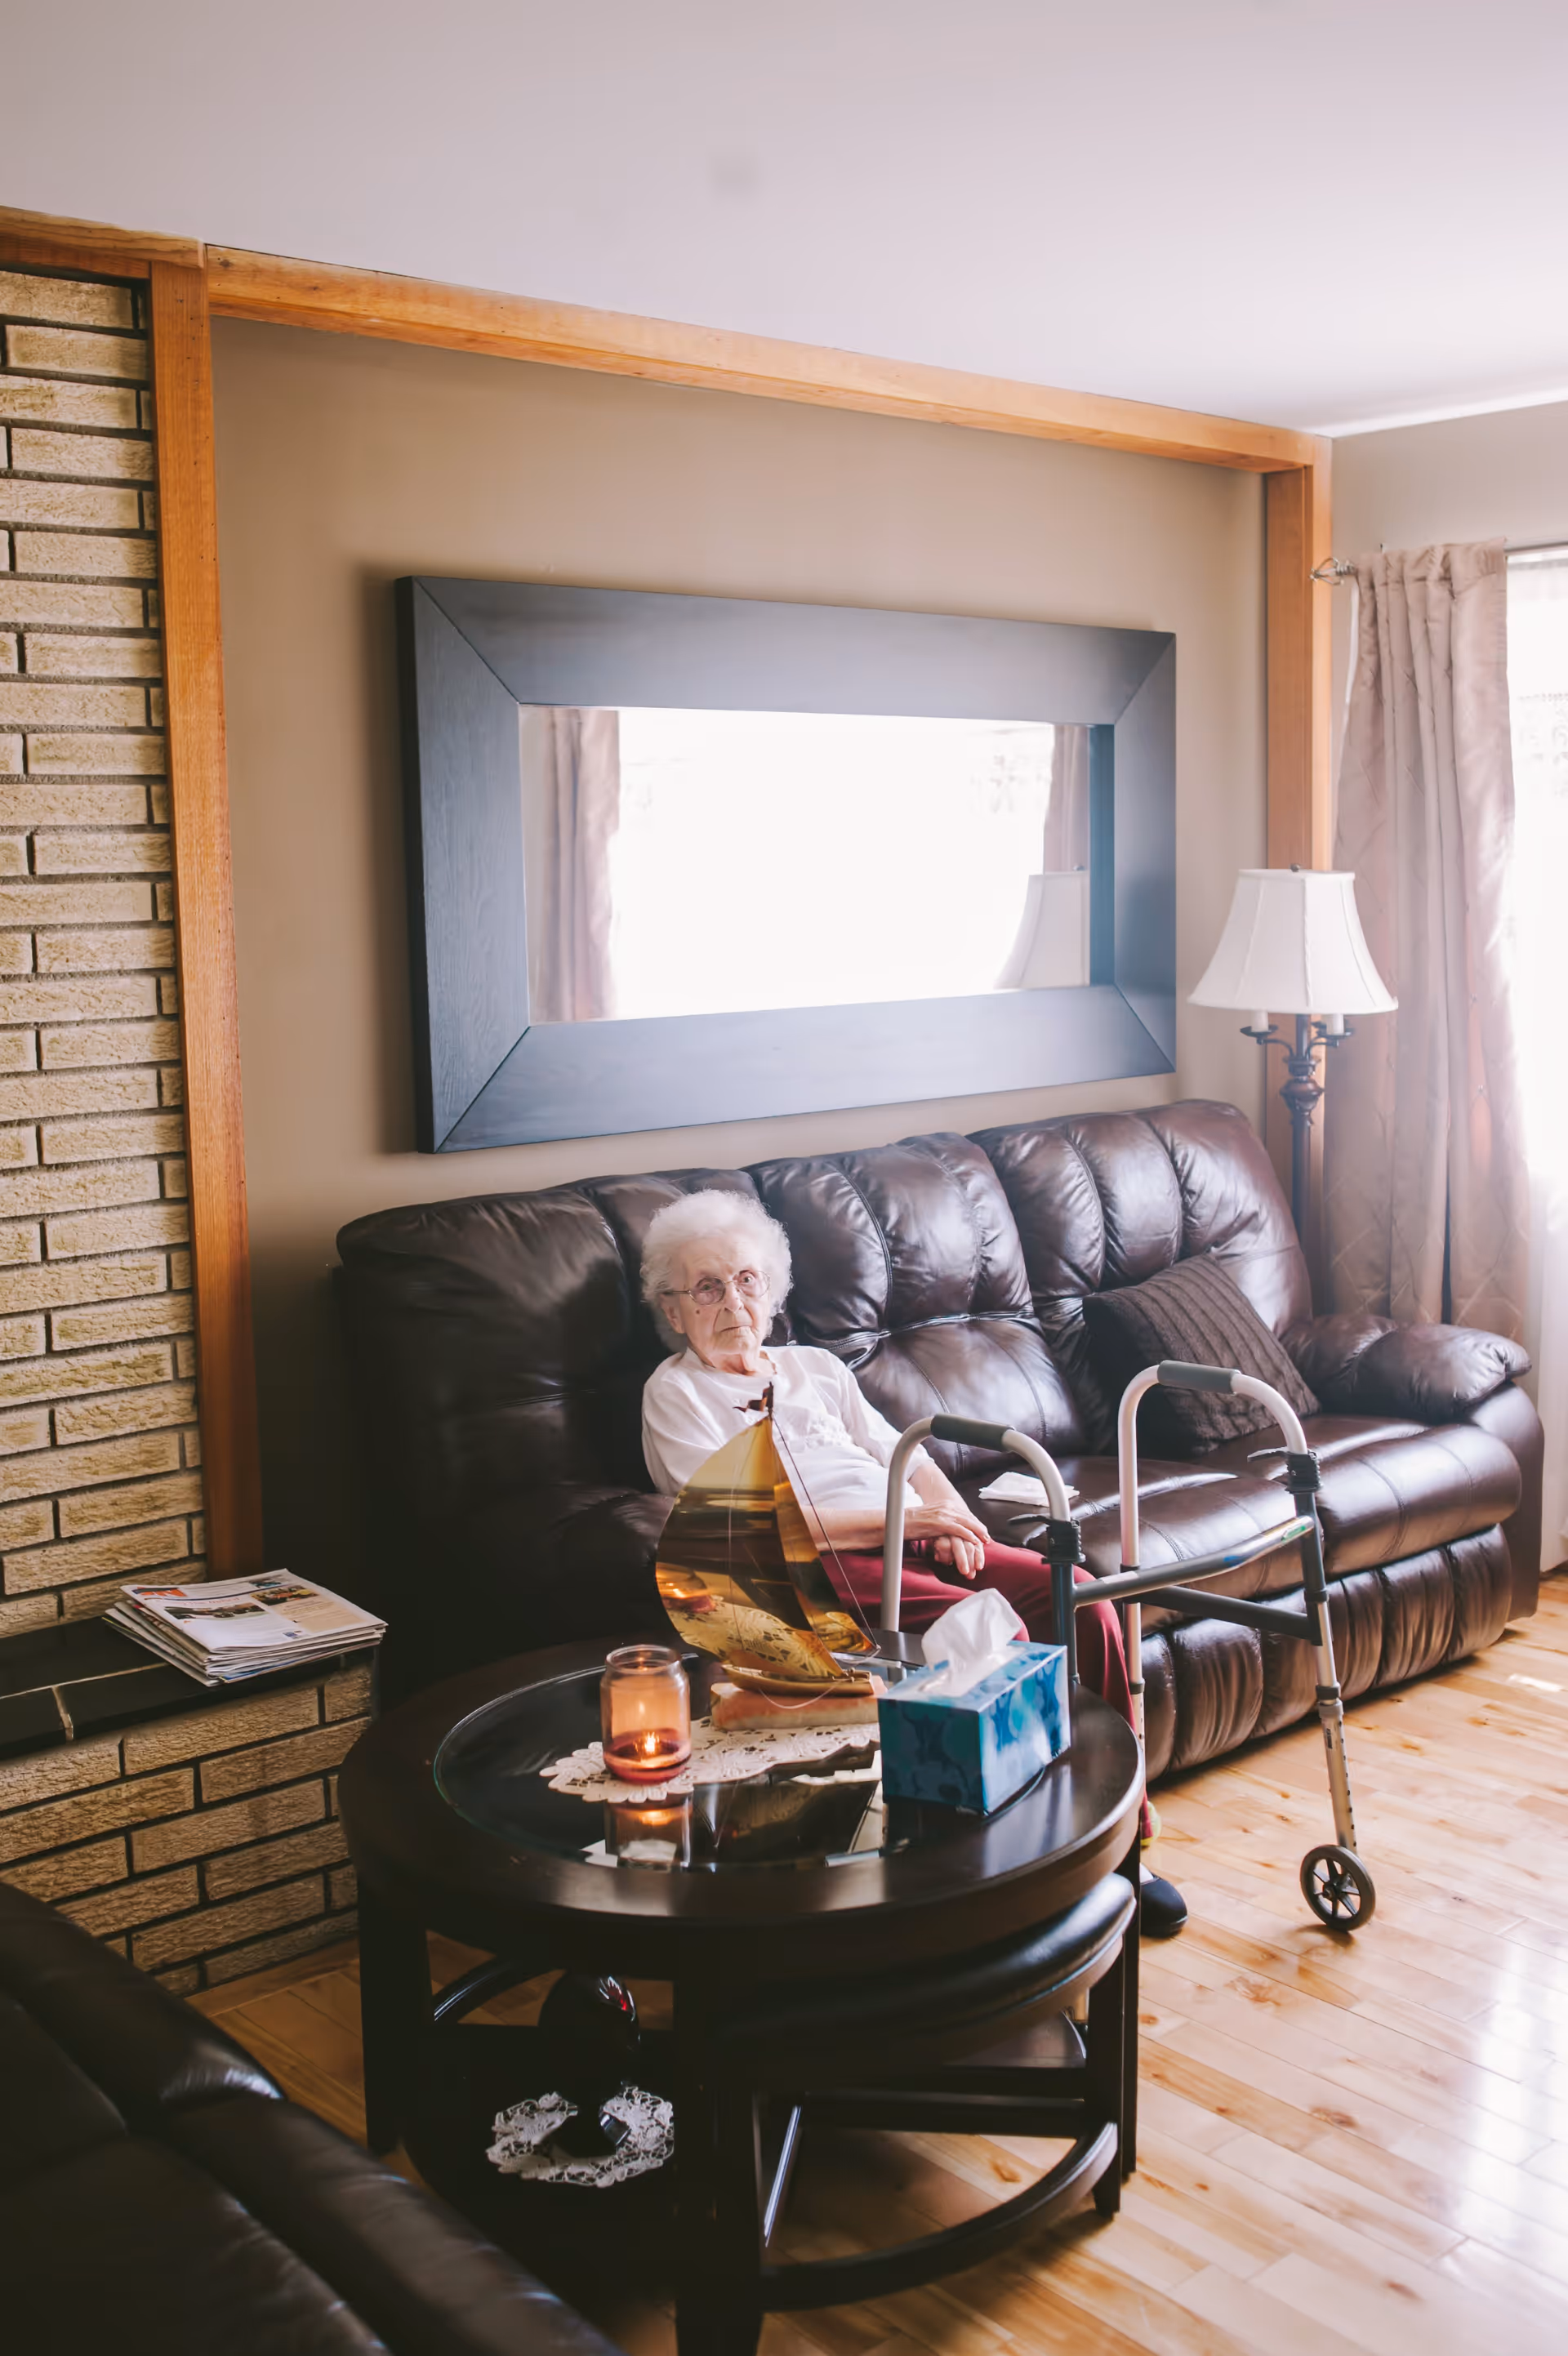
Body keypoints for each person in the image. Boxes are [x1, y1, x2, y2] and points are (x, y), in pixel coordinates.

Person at [639, 1189, 1186, 1937]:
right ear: (673, 1310)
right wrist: (911, 1520)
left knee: (1080, 1600)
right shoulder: (676, 1394)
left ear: (770, 1288)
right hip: (822, 1566)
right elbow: (754, 1526)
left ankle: (1126, 1844)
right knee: (994, 1651)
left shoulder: (815, 1368)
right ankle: (1023, 1876)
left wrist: (952, 1517)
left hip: (910, 1530)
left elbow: (907, 1453)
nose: (732, 1300)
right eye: (707, 1287)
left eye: (746, 1279)